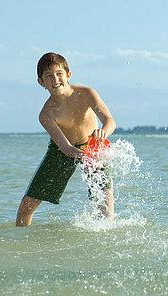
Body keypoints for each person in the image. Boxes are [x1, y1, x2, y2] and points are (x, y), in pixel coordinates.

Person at [16, 52, 116, 226]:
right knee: (27, 204)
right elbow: (65, 147)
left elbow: (110, 121)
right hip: (62, 151)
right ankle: (19, 239)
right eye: (49, 76)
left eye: (59, 73)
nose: (55, 79)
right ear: (41, 82)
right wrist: (79, 154)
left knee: (104, 201)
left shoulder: (87, 94)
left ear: (68, 75)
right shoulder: (46, 114)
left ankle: (106, 238)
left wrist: (103, 133)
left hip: (92, 145)